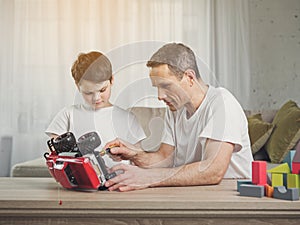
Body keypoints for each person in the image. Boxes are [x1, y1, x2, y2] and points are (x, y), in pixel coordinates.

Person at [104, 43, 253, 191]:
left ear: (189, 77)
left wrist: (149, 178)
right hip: (196, 192)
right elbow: (164, 159)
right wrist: (134, 155)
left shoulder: (222, 103)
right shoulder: (175, 110)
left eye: (166, 86)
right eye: (157, 88)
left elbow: (213, 171)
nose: (160, 96)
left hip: (231, 193)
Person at [45, 51, 146, 167]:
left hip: (120, 180)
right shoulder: (67, 115)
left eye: (102, 90)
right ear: (78, 86)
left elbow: (140, 159)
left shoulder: (128, 119)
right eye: (88, 93)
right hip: (80, 181)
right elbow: (53, 157)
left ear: (111, 80)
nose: (96, 98)